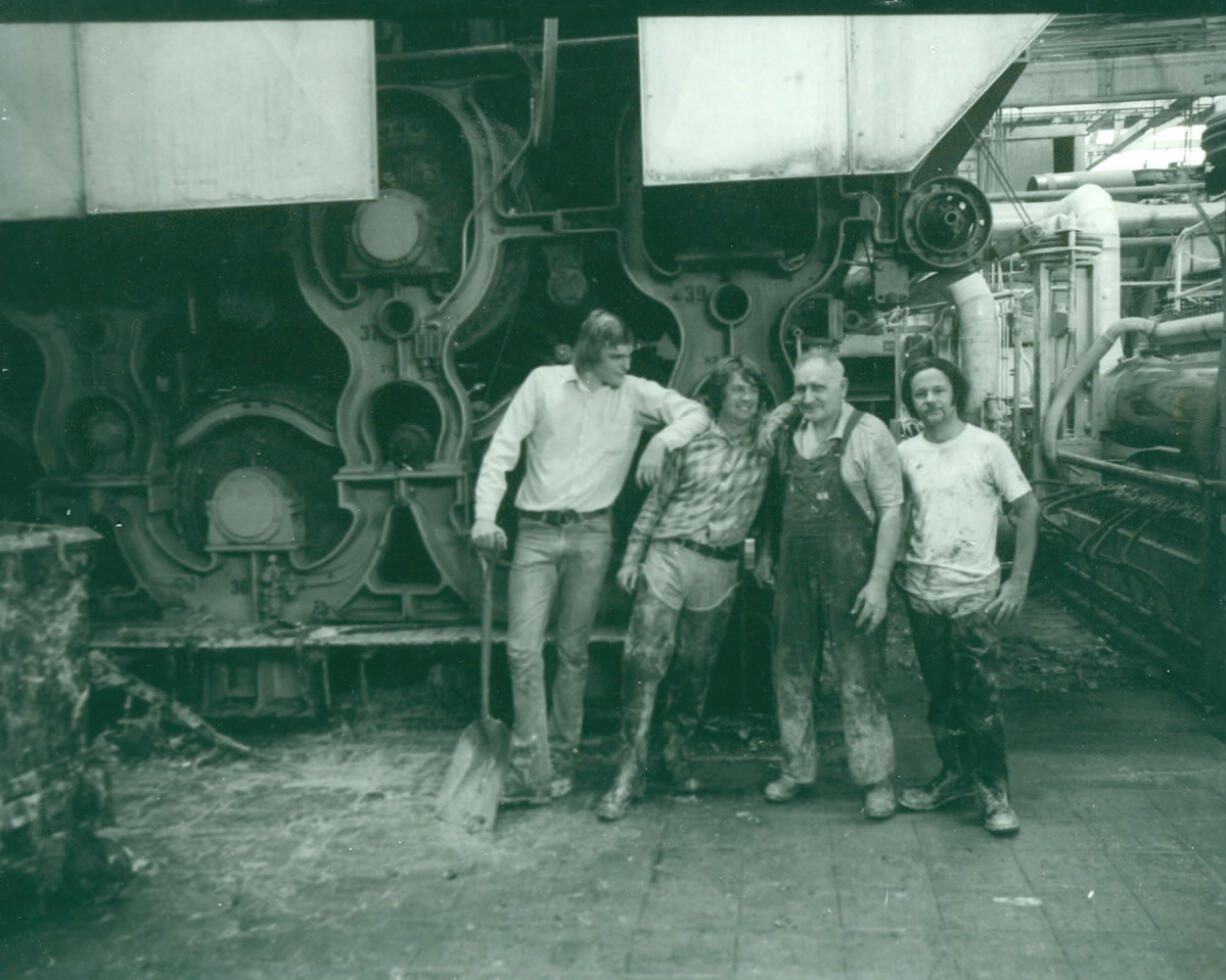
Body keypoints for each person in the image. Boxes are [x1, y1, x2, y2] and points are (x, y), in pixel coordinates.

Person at [471, 309, 708, 804]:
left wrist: (660, 442)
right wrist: (484, 517)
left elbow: (695, 413)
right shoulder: (542, 385)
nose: (625, 364)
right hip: (534, 534)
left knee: (573, 652)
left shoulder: (635, 394)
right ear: (589, 354)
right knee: (522, 651)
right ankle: (528, 762)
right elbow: (502, 451)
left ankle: (561, 754)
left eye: (628, 355)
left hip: (592, 535)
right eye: (616, 356)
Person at [595, 356, 774, 821]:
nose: (748, 398)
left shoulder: (767, 445)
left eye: (753, 391)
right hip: (669, 556)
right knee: (644, 661)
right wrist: (633, 557)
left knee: (696, 668)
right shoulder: (688, 441)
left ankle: (676, 753)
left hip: (719, 569)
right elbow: (656, 504)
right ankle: (628, 772)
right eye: (738, 390)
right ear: (718, 397)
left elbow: (793, 412)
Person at [754, 348, 904, 820]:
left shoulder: (869, 433)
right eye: (800, 388)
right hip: (794, 574)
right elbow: (772, 502)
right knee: (790, 671)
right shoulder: (786, 435)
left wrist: (878, 582)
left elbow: (892, 510)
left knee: (860, 677)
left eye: (818, 387)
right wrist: (764, 553)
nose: (808, 396)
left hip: (852, 574)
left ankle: (876, 779)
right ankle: (796, 769)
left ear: (842, 388)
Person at [895, 356, 1038, 835]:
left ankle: (994, 793)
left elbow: (1027, 508)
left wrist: (1017, 580)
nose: (930, 400)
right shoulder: (905, 453)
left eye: (938, 390)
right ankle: (954, 777)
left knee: (980, 699)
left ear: (954, 392)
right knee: (941, 698)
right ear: (911, 401)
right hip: (923, 594)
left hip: (974, 597)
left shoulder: (987, 447)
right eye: (921, 393)